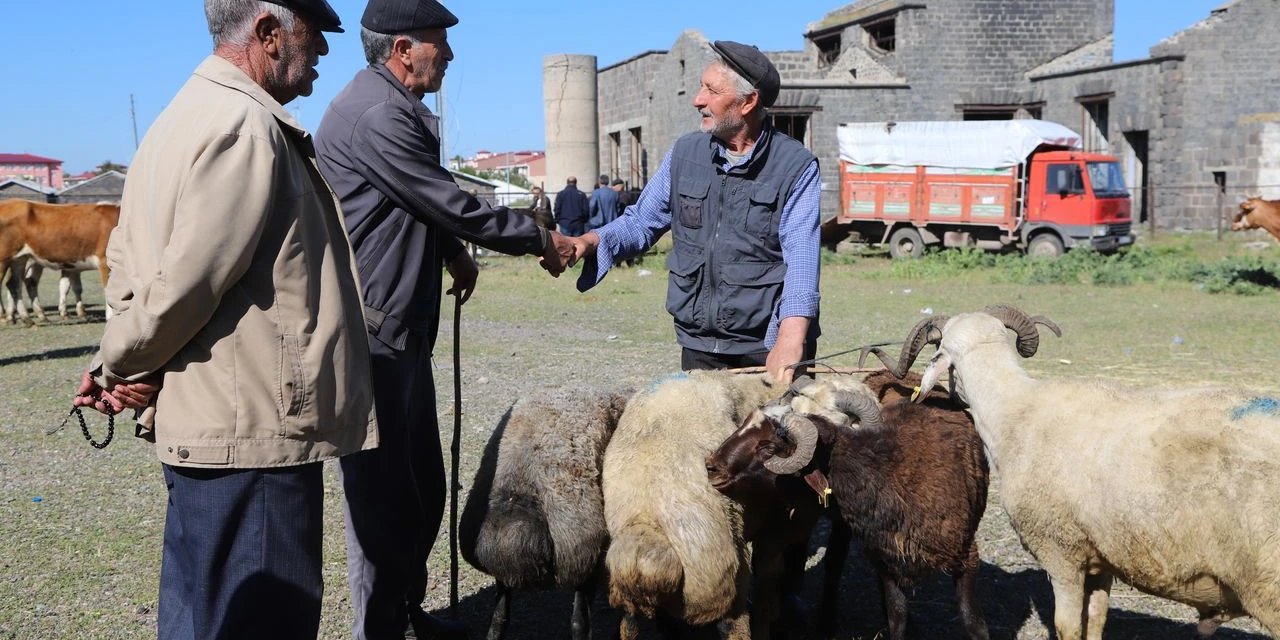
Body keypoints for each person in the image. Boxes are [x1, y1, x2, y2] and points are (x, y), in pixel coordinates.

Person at [71, 1, 376, 639]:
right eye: (313, 37)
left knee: (200, 615)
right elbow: (189, 282)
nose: (322, 54)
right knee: (256, 620)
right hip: (253, 431)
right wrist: (121, 364)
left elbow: (129, 263)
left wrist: (117, 362)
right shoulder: (244, 124)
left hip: (214, 423)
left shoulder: (174, 121)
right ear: (268, 33)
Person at [312, 1, 576, 638]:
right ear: (404, 50)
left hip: (402, 335)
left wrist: (453, 254)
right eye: (439, 44)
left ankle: (405, 613)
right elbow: (446, 199)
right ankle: (382, 629)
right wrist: (540, 239)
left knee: (422, 487)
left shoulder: (393, 107)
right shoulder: (377, 114)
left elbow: (412, 202)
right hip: (372, 337)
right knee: (381, 504)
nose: (449, 56)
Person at [570, 40, 821, 384]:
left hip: (767, 344)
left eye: (711, 91)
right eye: (701, 86)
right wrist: (592, 240)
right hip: (699, 344)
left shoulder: (795, 165)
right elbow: (642, 221)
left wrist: (791, 339)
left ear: (748, 102)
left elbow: (803, 259)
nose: (697, 99)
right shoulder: (685, 153)